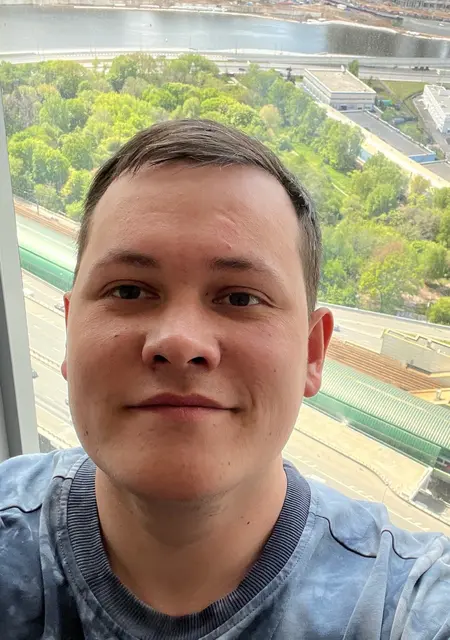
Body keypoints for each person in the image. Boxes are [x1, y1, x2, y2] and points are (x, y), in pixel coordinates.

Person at [1, 119, 450, 640]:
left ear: (312, 352)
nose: (180, 342)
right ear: (69, 329)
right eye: (129, 291)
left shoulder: (407, 605)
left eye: (240, 297)